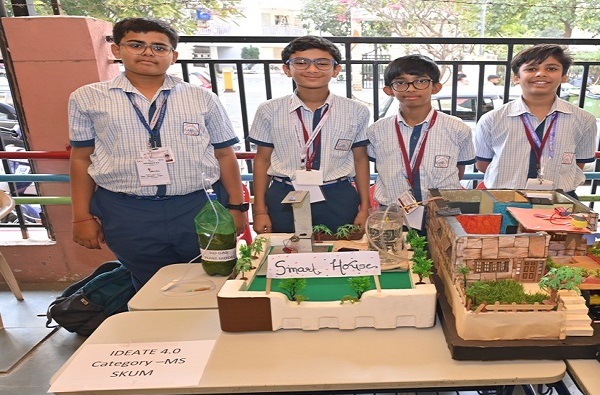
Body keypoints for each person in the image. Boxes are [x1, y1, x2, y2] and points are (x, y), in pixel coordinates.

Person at [69, 18, 247, 289]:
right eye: (136, 45)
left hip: (198, 206)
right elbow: (81, 158)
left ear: (173, 56)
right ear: (117, 50)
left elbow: (225, 154)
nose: (148, 53)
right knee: (150, 285)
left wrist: (236, 207)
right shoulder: (87, 98)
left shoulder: (202, 98)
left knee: (214, 278)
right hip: (126, 211)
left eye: (159, 47)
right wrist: (81, 216)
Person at [249, 36, 371, 234]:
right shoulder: (269, 110)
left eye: (322, 63)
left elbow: (360, 160)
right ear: (287, 69)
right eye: (301, 62)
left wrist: (365, 207)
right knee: (287, 249)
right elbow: (262, 160)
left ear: (336, 70)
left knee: (341, 249)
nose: (312, 69)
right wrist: (260, 211)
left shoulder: (356, 111)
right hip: (285, 194)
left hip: (338, 196)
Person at [474, 44, 596, 198]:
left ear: (563, 76)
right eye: (531, 69)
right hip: (504, 198)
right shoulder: (492, 119)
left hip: (560, 200)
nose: (541, 74)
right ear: (516, 77)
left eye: (551, 68)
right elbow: (482, 164)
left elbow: (579, 163)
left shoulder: (584, 119)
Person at [367, 55, 475, 228]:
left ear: (436, 87)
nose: (411, 89)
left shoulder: (457, 128)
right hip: (392, 213)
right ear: (389, 90)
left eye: (420, 81)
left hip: (442, 212)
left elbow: (458, 170)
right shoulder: (376, 130)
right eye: (400, 83)